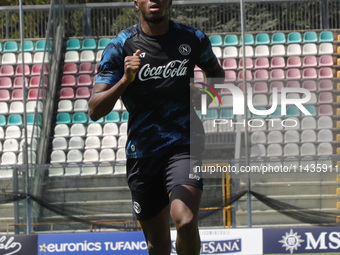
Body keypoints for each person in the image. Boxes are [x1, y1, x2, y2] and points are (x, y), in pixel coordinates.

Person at [88, 0, 225, 254]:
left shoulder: (192, 38)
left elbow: (215, 72)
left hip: (185, 144)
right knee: (157, 244)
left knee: (185, 220)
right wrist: (125, 81)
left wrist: (205, 96)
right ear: (136, 2)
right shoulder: (120, 46)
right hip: (143, 153)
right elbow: (95, 110)